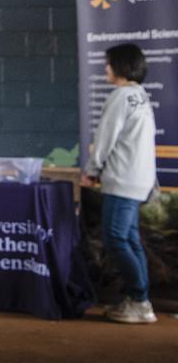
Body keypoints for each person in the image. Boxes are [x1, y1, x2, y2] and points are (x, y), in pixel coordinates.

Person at [81, 43, 158, 324]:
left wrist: (92, 169)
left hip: (123, 181)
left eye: (109, 63)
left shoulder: (120, 96)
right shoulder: (140, 95)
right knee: (130, 239)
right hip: (139, 181)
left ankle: (139, 301)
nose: (106, 68)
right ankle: (140, 298)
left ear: (122, 66)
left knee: (116, 238)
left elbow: (105, 138)